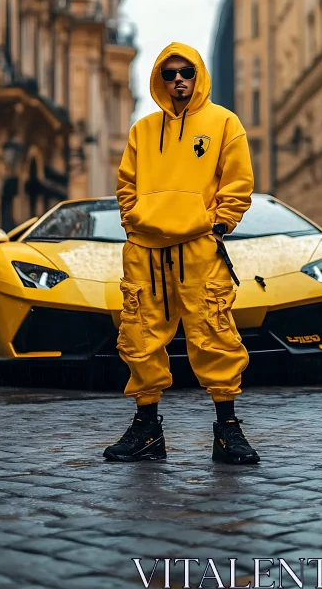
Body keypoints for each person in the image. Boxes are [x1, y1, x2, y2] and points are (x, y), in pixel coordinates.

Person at [103, 42, 260, 465]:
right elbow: (126, 184)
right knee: (139, 338)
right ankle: (146, 430)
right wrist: (132, 221)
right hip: (144, 251)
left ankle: (228, 431)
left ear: (197, 75)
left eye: (185, 72)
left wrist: (219, 224)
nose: (178, 80)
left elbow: (238, 182)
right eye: (169, 73)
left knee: (215, 335)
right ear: (160, 79)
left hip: (198, 248)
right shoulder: (143, 129)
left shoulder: (224, 122)